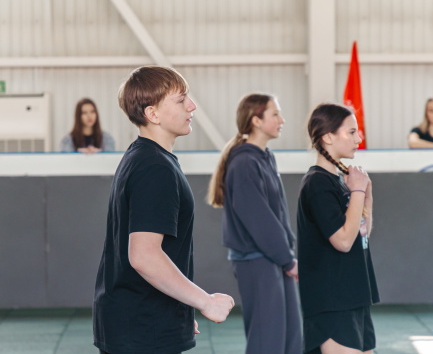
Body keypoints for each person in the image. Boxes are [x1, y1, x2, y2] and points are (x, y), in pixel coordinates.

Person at [93, 66, 234, 354]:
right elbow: (144, 256)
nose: (191, 106)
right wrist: (205, 301)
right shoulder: (155, 168)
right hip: (143, 328)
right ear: (153, 114)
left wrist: (178, 309)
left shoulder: (144, 157)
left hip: (141, 322)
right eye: (181, 100)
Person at [207, 94, 302, 354]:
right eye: (275, 114)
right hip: (257, 260)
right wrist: (287, 260)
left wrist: (285, 257)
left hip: (274, 258)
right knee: (267, 342)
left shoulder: (264, 157)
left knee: (290, 338)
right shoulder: (244, 163)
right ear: (256, 120)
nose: (282, 120)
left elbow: (275, 215)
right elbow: (260, 221)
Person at [298, 103, 380, 354]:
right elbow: (343, 241)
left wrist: (365, 198)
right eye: (352, 132)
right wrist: (357, 191)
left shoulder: (340, 181)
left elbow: (361, 234)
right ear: (328, 137)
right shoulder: (318, 184)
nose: (359, 139)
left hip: (353, 295)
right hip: (333, 301)